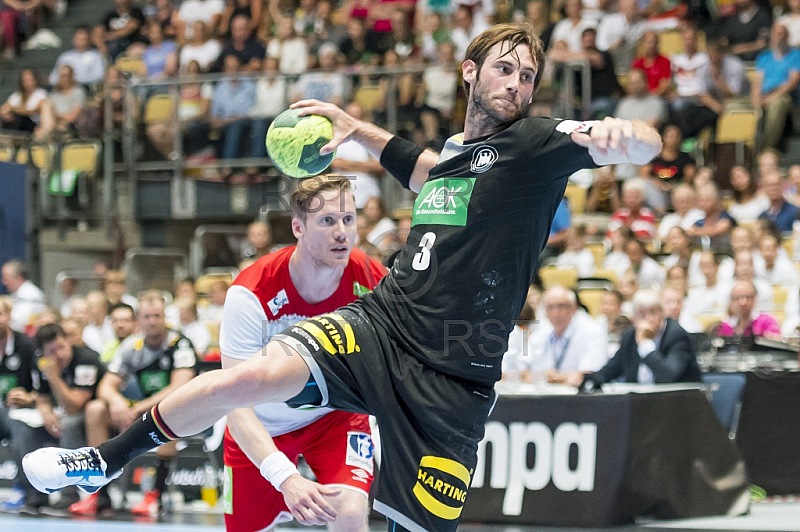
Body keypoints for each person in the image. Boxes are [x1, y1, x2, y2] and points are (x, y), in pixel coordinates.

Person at [23, 22, 662, 532]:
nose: (517, 84)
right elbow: (426, 171)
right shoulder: (459, 160)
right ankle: (102, 461)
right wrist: (355, 130)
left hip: (454, 378)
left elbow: (643, 144)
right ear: (470, 72)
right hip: (386, 325)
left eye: (527, 76)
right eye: (504, 68)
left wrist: (627, 136)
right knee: (250, 376)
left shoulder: (536, 146)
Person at [219, 176, 386, 531]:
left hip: (335, 417)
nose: (341, 232)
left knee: (351, 513)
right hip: (261, 425)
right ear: (298, 227)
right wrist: (286, 478)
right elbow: (234, 403)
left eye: (348, 219)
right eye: (327, 221)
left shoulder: (371, 278)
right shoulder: (250, 292)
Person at [70, 292, 198, 516]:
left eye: (157, 316)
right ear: (139, 319)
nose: (152, 321)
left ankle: (155, 495)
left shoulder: (180, 344)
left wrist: (138, 408)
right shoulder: (132, 345)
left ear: (164, 317)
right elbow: (106, 386)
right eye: (147, 316)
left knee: (170, 410)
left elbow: (179, 386)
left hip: (178, 412)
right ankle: (100, 494)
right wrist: (117, 401)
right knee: (95, 409)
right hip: (138, 411)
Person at [21, 324, 105, 513]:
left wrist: (54, 377)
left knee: (69, 426)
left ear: (68, 340)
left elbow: (76, 406)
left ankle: (69, 496)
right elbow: (42, 399)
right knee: (27, 430)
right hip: (62, 415)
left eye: (62, 347)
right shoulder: (41, 363)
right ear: (43, 353)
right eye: (51, 351)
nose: (59, 354)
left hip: (94, 417)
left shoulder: (86, 359)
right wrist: (47, 414)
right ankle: (36, 497)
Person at [584, 289, 701, 385]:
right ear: (633, 319)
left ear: (662, 314)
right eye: (642, 314)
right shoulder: (629, 337)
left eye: (653, 312)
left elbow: (668, 375)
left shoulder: (677, 336)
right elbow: (610, 371)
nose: (649, 318)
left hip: (678, 405)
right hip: (640, 405)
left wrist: (645, 345)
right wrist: (587, 378)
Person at [0, 298, 37, 512]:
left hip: (25, 411)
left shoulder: (27, 345)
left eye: (0, 314)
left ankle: (26, 489)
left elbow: (43, 389)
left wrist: (29, 397)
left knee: (18, 423)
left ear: (9, 317)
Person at [531, 285, 608, 386]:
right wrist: (562, 377)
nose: (555, 312)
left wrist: (549, 377)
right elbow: (516, 372)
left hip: (580, 398)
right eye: (550, 307)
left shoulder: (593, 332)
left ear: (573, 308)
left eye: (561, 306)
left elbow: (588, 375)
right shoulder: (540, 335)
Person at [752, 23, 800, 151]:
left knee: (776, 105)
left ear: (787, 36)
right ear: (771, 36)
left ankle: (766, 148)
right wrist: (757, 101)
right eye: (776, 34)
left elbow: (792, 82)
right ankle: (745, 149)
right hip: (764, 95)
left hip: (784, 95)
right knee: (736, 108)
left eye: (782, 34)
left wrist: (771, 97)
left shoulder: (795, 55)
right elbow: (757, 82)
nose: (779, 37)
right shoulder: (764, 57)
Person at [716, 280, 781, 340]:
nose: (743, 302)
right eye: (737, 298)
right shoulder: (724, 327)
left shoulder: (767, 322)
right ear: (731, 301)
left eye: (748, 297)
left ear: (755, 299)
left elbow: (775, 343)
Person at [1, 260, 45, 333]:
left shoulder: (31, 294)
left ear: (19, 277)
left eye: (6, 278)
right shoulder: (15, 294)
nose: (3, 282)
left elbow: (20, 322)